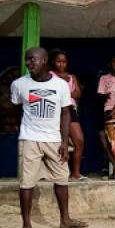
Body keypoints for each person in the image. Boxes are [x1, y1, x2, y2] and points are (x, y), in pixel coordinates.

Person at [11, 47, 88, 228]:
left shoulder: (61, 85)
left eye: (32, 60)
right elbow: (15, 108)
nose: (28, 63)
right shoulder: (19, 84)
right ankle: (26, 227)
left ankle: (65, 220)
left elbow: (65, 113)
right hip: (30, 138)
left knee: (62, 178)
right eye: (26, 60)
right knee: (27, 182)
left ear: (45, 60)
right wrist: (21, 130)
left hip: (54, 140)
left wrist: (64, 141)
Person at [49, 48, 87, 180]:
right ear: (53, 62)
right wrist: (66, 91)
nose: (61, 64)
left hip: (70, 109)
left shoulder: (71, 77)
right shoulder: (49, 75)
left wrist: (63, 92)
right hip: (54, 109)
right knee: (54, 143)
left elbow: (78, 94)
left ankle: (75, 173)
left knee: (79, 140)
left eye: (64, 62)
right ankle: (53, 173)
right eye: (58, 61)